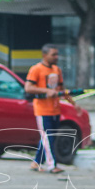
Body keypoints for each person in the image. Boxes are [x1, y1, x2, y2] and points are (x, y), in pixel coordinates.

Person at [24, 45, 67, 174]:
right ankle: (52, 165)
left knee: (48, 138)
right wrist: (46, 90)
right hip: (42, 110)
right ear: (45, 55)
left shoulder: (57, 70)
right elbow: (28, 88)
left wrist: (73, 103)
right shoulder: (36, 69)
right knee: (48, 137)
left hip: (55, 109)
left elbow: (61, 89)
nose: (56, 57)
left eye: (57, 54)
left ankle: (36, 162)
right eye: (53, 54)